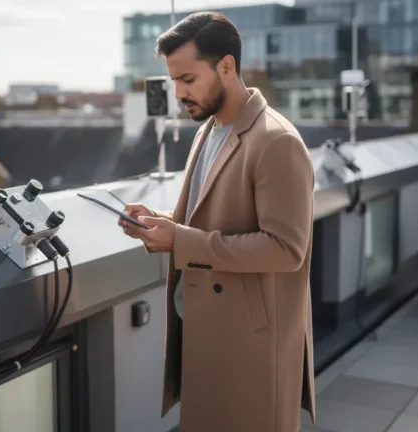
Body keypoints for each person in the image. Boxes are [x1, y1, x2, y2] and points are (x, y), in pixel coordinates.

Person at [119, 12, 316, 432]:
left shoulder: (276, 141)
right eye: (174, 81)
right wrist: (160, 222)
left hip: (249, 343)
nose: (178, 93)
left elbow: (287, 250)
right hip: (205, 329)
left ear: (226, 67)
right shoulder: (208, 130)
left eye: (188, 79)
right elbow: (207, 219)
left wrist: (182, 242)